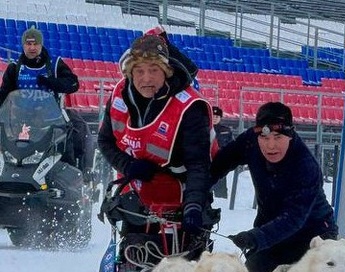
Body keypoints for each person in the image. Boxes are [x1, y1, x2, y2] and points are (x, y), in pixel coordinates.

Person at [97, 32, 215, 247]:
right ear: (129, 73)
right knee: (132, 262)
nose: (146, 78)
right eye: (139, 71)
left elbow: (199, 165)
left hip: (181, 197)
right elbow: (105, 141)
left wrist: (193, 206)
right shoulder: (119, 95)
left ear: (166, 72)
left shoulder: (189, 107)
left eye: (154, 70)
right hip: (135, 197)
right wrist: (128, 165)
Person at [210, 102, 337, 272]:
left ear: (290, 134)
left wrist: (256, 237)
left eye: (278, 137)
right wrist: (194, 194)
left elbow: (293, 218)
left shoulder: (305, 166)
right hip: (271, 234)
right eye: (265, 137)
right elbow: (218, 165)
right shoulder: (250, 141)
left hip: (313, 236)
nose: (271, 145)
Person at [0, 27, 87, 171]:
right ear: (23, 46)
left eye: (36, 44)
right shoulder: (14, 68)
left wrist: (51, 82)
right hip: (22, 122)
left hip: (52, 121)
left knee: (76, 134)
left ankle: (74, 176)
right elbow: (3, 95)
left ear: (41, 45)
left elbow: (73, 84)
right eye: (28, 44)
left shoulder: (55, 64)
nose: (32, 48)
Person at [211, 106, 234, 199]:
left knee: (220, 190)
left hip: (220, 162)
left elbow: (231, 145)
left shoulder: (226, 130)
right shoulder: (203, 129)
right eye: (213, 116)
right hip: (207, 162)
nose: (215, 118)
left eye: (217, 116)